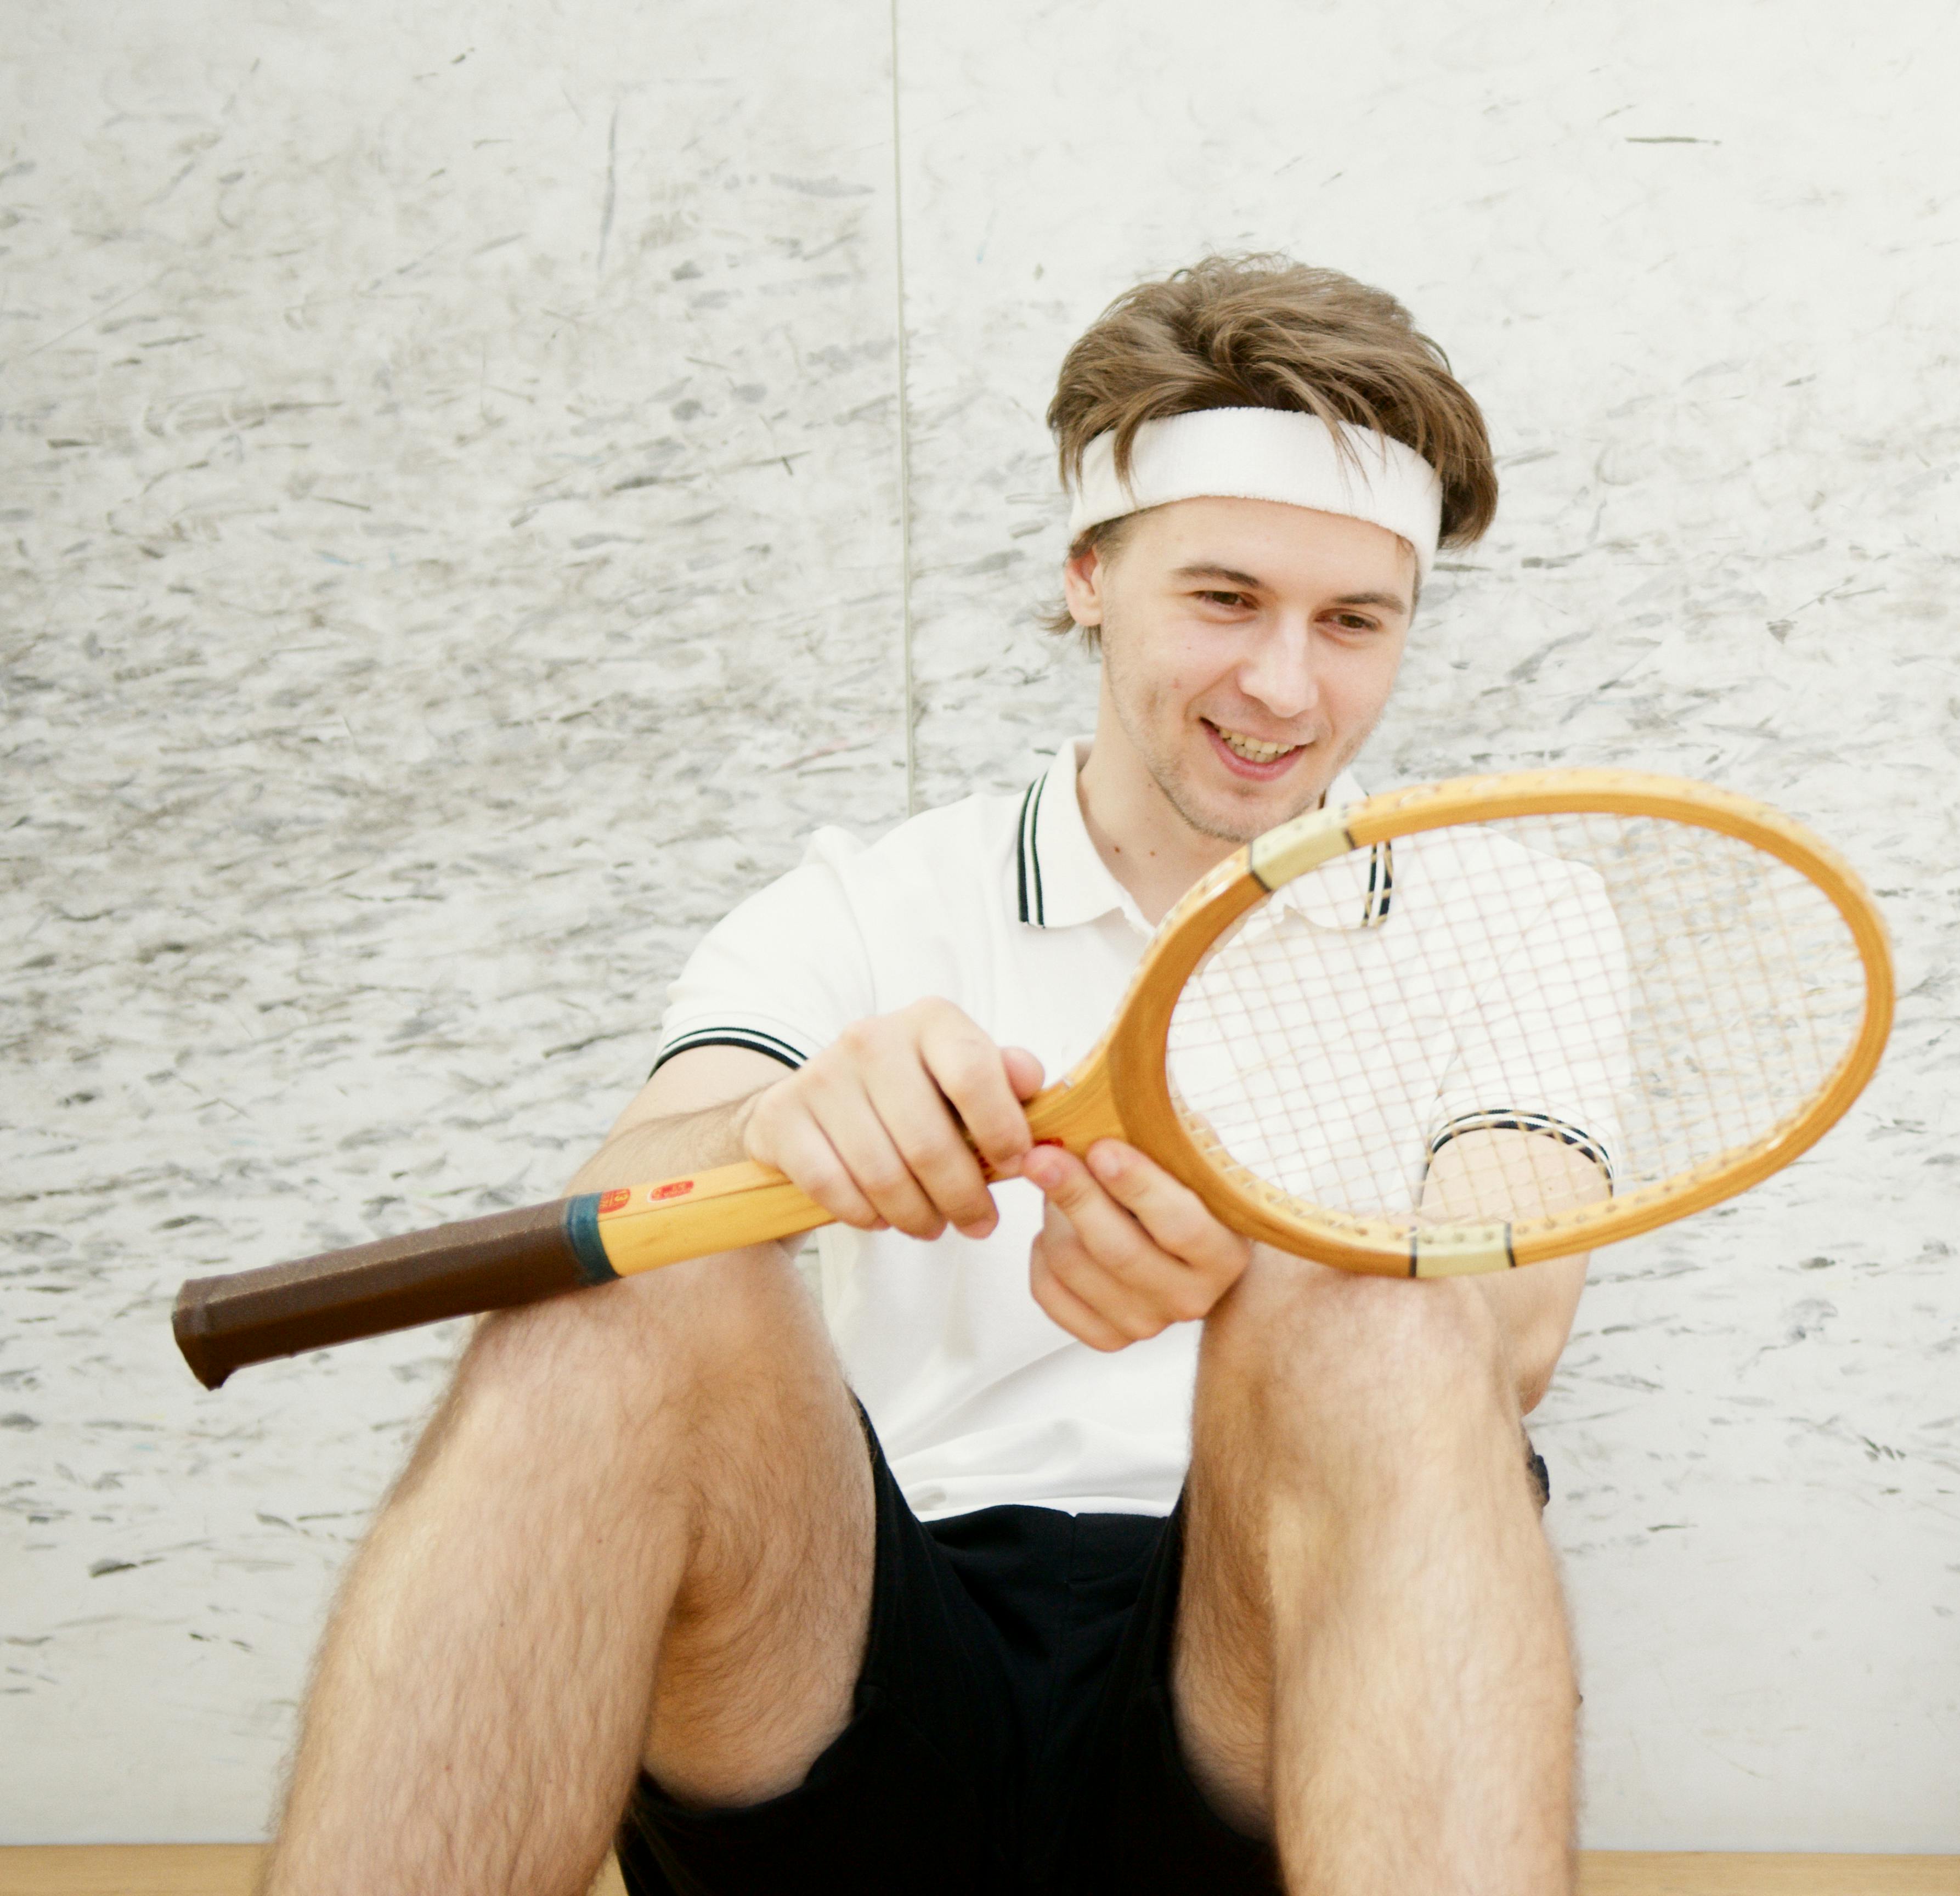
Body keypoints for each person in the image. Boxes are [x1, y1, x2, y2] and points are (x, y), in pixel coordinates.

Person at [259, 256, 1591, 1896]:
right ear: (1090, 573)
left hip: (1267, 1708)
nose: (1285, 686)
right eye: (1225, 599)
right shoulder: (857, 906)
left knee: (1390, 1333)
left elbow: (1513, 1322)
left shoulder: (1518, 914)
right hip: (858, 1685)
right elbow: (636, 1178)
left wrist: (1260, 1257)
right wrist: (769, 1127)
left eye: (1354, 623)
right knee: (626, 1286)